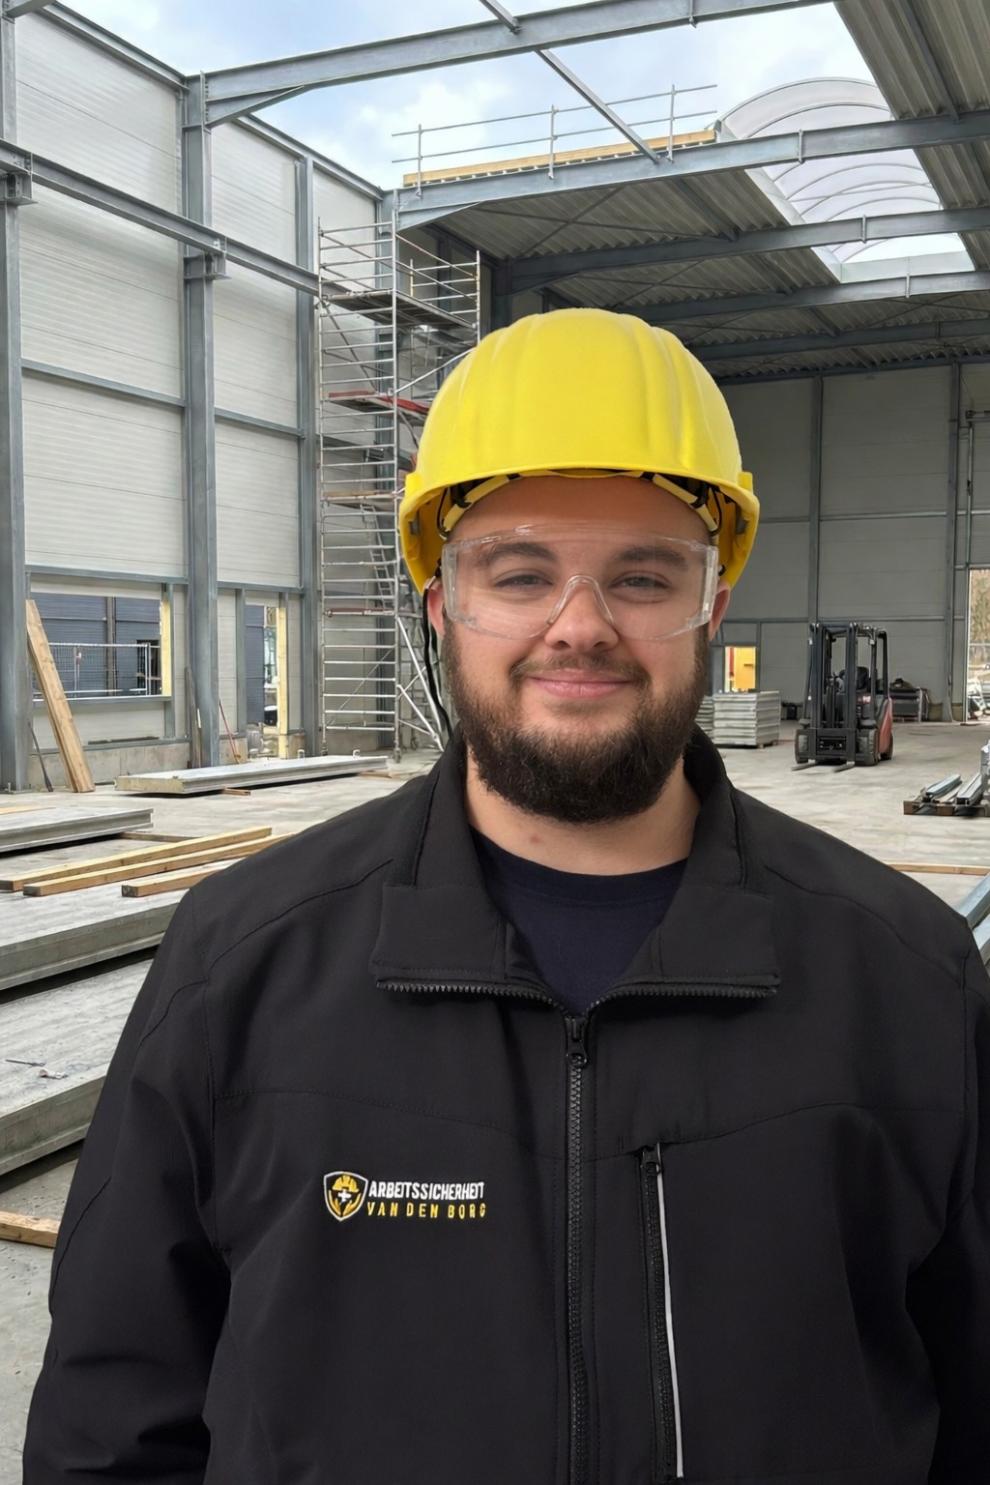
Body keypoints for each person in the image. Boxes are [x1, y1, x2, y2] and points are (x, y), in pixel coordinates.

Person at [23, 308, 990, 1485]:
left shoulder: (906, 980)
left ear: (713, 607)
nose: (579, 626)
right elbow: (112, 1426)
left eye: (642, 574)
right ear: (442, 606)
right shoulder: (243, 966)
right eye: (519, 571)